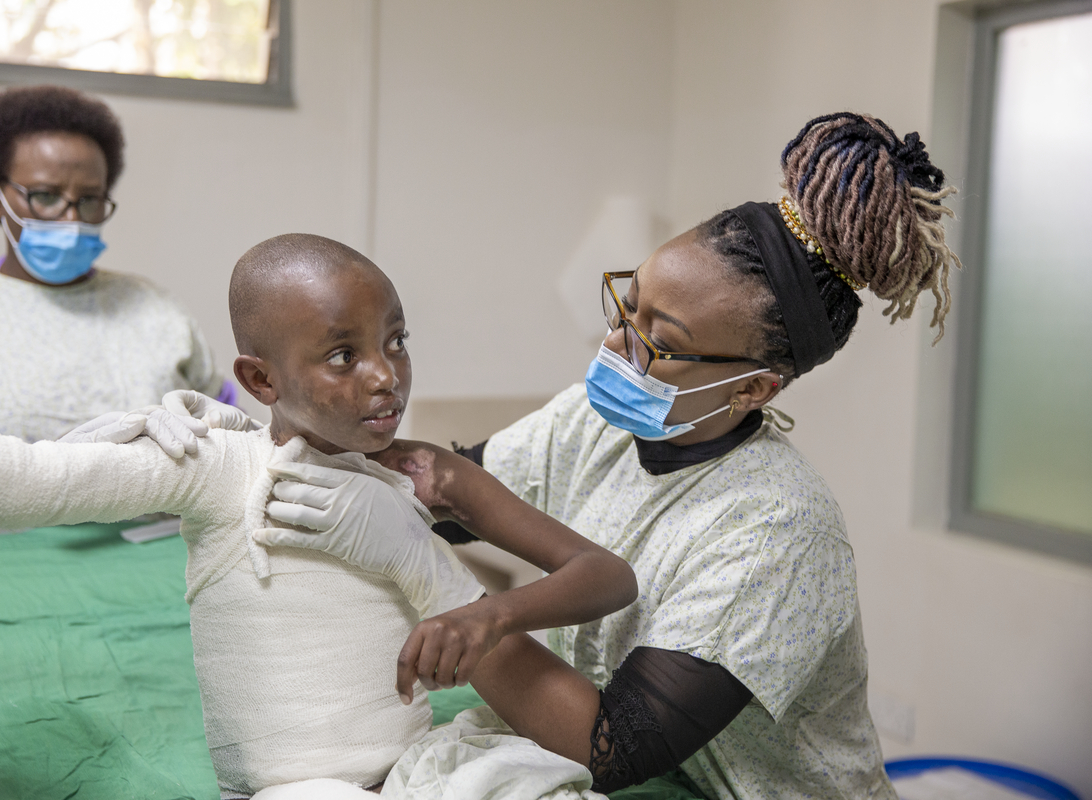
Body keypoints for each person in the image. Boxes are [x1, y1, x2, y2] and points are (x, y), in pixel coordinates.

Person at [244, 113, 962, 799]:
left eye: (664, 341)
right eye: (630, 304)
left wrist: (432, 575)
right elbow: (454, 493)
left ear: (753, 388)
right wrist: (272, 448)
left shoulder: (777, 531)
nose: (619, 344)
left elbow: (610, 748)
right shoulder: (600, 421)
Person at [0, 233, 637, 798]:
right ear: (259, 378)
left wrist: (469, 596)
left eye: (397, 342)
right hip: (297, 785)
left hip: (416, 764)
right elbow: (40, 482)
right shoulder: (218, 465)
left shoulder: (423, 475)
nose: (387, 375)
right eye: (343, 356)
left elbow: (607, 575)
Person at [0, 84, 229, 555]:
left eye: (90, 200)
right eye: (46, 196)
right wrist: (48, 474)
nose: (71, 218)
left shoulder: (156, 310)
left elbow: (234, 443)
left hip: (151, 563)